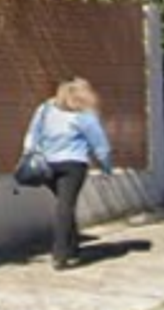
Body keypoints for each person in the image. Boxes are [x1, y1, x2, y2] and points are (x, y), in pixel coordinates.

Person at [22, 77, 112, 270]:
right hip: (73, 165)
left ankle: (72, 246)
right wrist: (106, 167)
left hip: (47, 164)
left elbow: (32, 134)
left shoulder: (45, 109)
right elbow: (100, 145)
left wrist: (28, 154)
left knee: (65, 204)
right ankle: (60, 254)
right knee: (65, 205)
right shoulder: (84, 115)